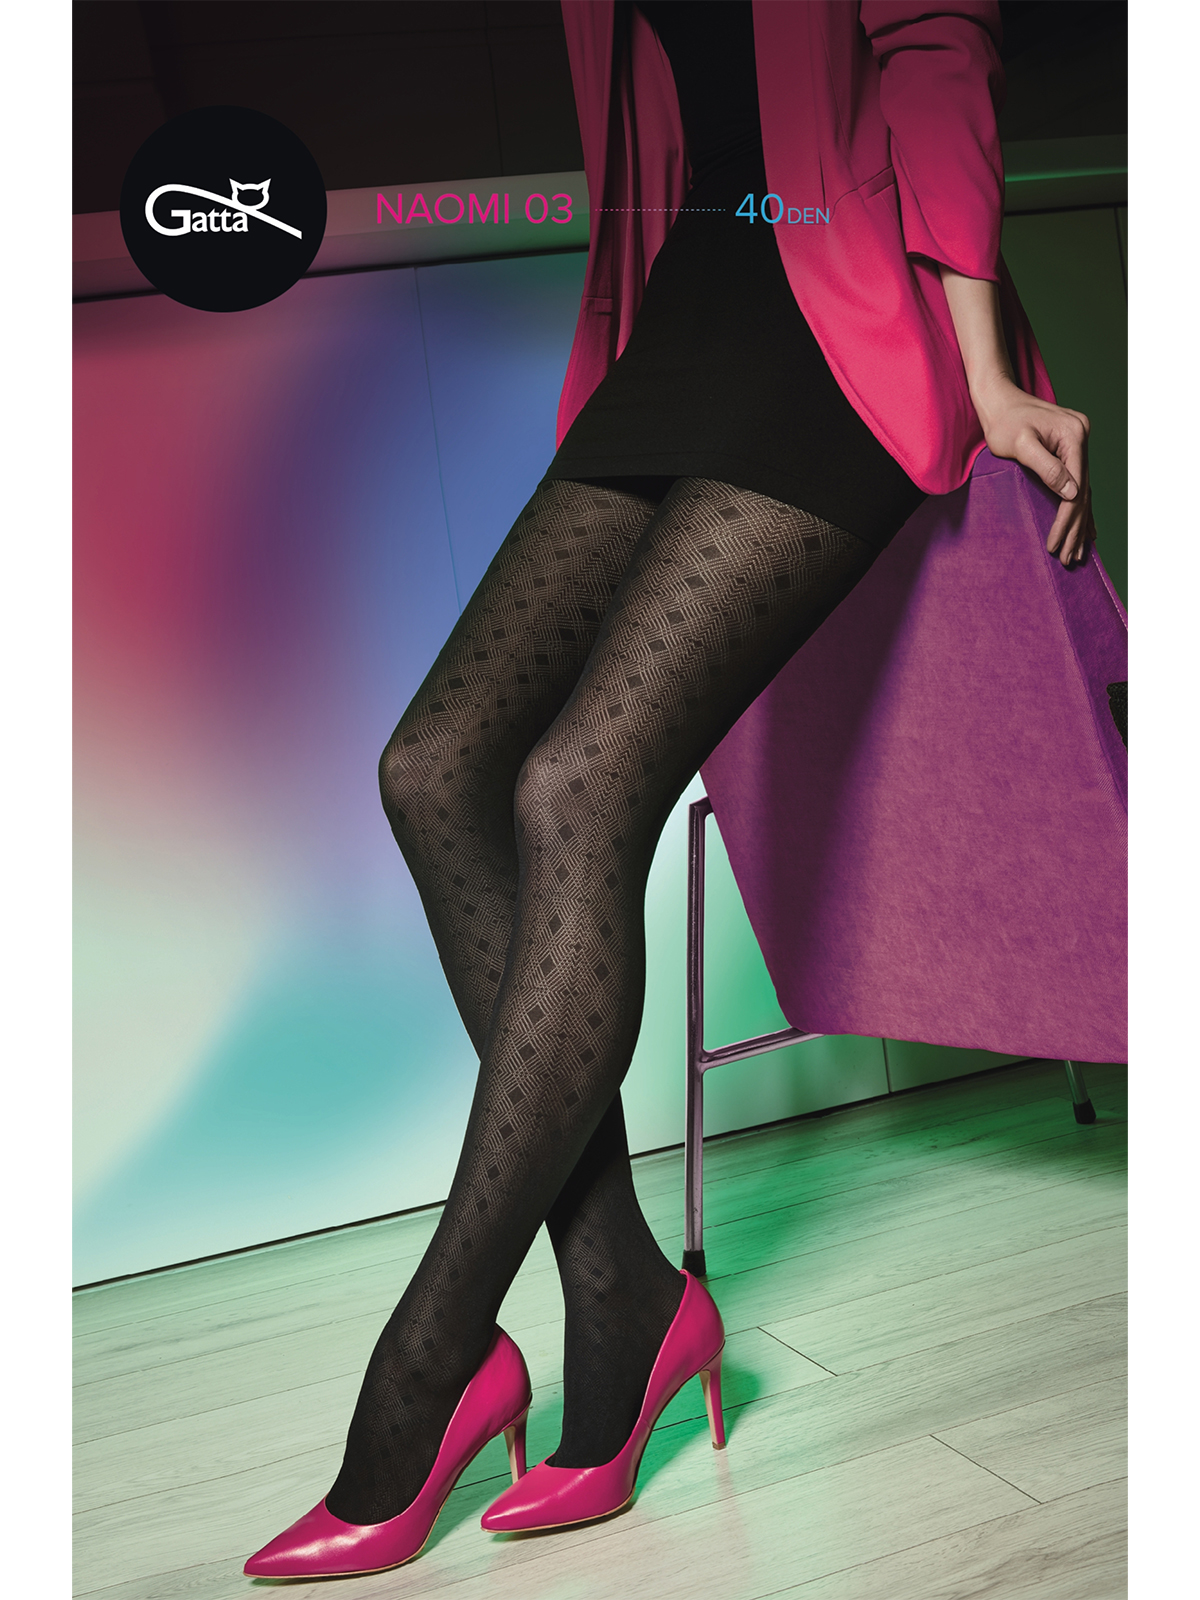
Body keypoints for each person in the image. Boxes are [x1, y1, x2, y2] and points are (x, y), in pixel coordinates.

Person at [245, 0, 1095, 1575]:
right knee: (434, 767)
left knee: (578, 785)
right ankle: (624, 1295)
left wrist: (984, 363)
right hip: (689, 300)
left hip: (855, 316)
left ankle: (432, 1353)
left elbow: (935, 46)